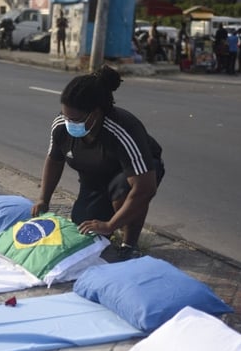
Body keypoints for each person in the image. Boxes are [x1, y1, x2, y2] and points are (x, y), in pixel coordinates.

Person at [31, 65, 165, 259]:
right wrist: (44, 199)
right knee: (85, 226)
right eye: (65, 115)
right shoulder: (62, 125)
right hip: (95, 175)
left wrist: (111, 225)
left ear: (95, 113)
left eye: (75, 119)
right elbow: (54, 159)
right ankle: (111, 223)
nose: (68, 122)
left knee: (121, 191)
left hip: (133, 174)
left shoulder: (123, 130)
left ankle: (129, 245)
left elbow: (145, 188)